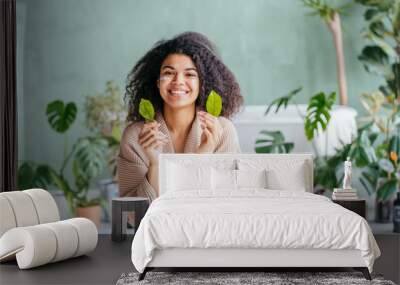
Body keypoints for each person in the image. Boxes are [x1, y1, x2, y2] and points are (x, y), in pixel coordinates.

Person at [118, 31, 244, 202]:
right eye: (169, 73)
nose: (178, 81)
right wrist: (155, 165)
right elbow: (131, 215)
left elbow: (226, 203)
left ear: (202, 83)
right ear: (157, 82)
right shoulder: (135, 136)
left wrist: (203, 154)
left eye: (190, 74)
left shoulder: (222, 131)